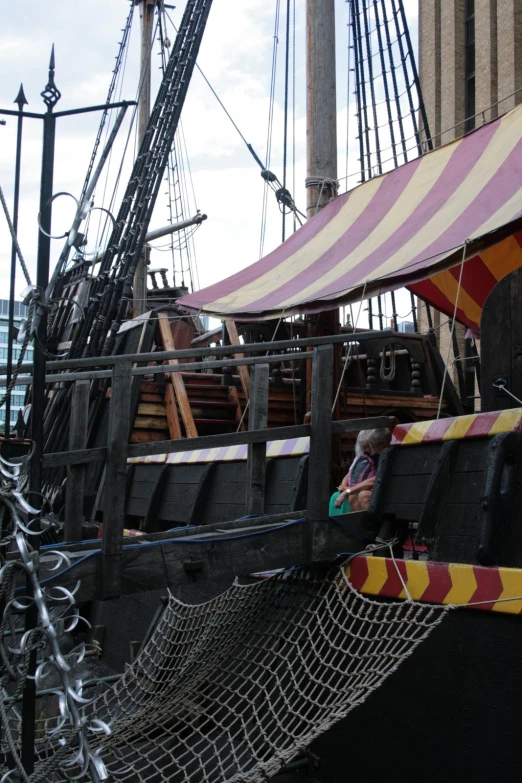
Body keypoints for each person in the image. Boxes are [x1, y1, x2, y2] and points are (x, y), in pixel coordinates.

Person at [333, 427, 392, 513]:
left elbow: (373, 481)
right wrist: (344, 487)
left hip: (386, 492)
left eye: (372, 446)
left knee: (363, 495)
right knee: (350, 496)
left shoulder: (385, 455)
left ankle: (370, 524)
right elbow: (350, 472)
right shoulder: (369, 455)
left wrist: (347, 491)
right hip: (370, 489)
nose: (371, 449)